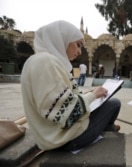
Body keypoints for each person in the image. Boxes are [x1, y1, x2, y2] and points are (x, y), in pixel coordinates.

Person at [21, 20, 121, 152]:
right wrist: (93, 95)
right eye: (78, 45)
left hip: (55, 137)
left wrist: (88, 94)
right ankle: (105, 134)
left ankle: (105, 131)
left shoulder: (42, 60)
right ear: (62, 40)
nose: (80, 52)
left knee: (106, 104)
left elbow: (61, 100)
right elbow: (68, 115)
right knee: (113, 104)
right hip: (63, 139)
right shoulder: (45, 62)